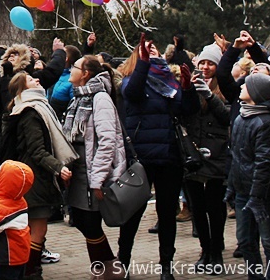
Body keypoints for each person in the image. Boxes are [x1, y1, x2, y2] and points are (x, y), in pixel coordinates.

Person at [116, 35, 198, 280]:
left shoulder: (169, 82)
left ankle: (166, 266)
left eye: (155, 48)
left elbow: (188, 109)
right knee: (132, 214)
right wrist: (142, 63)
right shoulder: (131, 79)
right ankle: (123, 263)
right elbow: (133, 93)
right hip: (141, 158)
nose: (152, 50)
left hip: (169, 156)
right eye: (146, 49)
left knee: (166, 215)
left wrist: (187, 88)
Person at [0, 71, 78, 279]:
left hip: (32, 177)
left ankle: (30, 271)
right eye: (32, 80)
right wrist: (58, 167)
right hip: (35, 179)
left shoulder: (35, 108)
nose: (38, 80)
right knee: (38, 231)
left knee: (34, 230)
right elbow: (37, 150)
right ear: (24, 90)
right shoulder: (31, 112)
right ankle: (31, 272)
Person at [61, 54, 127, 280]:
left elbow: (108, 141)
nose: (71, 70)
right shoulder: (78, 97)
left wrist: (98, 179)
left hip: (91, 172)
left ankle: (108, 270)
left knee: (89, 222)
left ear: (86, 73)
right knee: (82, 220)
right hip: (79, 171)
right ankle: (106, 269)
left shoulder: (100, 99)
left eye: (75, 67)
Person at [227, 73, 270, 280]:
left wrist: (257, 197)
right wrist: (231, 188)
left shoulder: (266, 123)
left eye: (247, 85)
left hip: (263, 194)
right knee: (245, 240)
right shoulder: (241, 117)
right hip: (244, 190)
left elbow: (264, 163)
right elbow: (236, 156)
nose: (242, 86)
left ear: (255, 94)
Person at [182, 44, 230, 275]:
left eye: (210, 63)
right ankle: (204, 249)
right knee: (197, 207)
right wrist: (188, 90)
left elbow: (226, 117)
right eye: (202, 63)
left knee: (215, 206)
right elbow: (183, 112)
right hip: (193, 152)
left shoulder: (224, 87)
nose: (205, 67)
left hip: (217, 152)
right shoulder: (190, 84)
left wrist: (210, 96)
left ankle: (217, 251)